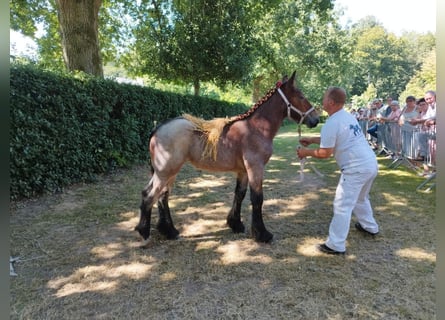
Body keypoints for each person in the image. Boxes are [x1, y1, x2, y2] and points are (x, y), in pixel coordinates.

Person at [296, 87, 379, 255]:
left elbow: (325, 153)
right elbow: (335, 138)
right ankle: (369, 227)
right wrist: (312, 140)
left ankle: (336, 244)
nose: (322, 99)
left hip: (355, 169)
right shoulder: (347, 116)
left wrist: (306, 152)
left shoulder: (332, 122)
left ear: (331, 102)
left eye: (324, 97)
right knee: (361, 198)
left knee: (342, 205)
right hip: (370, 164)